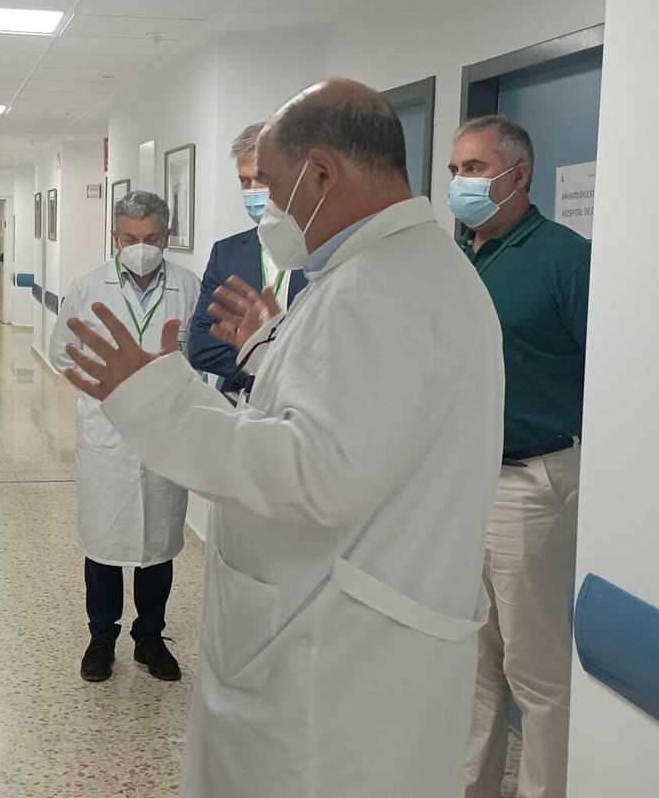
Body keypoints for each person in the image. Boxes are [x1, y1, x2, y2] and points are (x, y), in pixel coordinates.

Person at [58, 79, 503, 797]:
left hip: (331, 663)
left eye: (272, 181)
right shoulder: (406, 271)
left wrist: (154, 400)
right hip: (364, 640)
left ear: (323, 173)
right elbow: (362, 422)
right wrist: (271, 350)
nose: (266, 203)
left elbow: (312, 472)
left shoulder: (375, 290)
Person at [450, 116, 590, 798]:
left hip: (534, 480)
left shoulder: (566, 257)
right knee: (476, 663)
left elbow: (608, 373)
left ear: (519, 174)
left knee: (536, 673)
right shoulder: (464, 256)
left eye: (474, 169)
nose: (460, 183)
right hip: (467, 484)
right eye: (455, 171)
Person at [48, 190, 201, 684]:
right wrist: (107, 389)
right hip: (108, 433)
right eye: (131, 238)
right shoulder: (89, 285)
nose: (141, 247)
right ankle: (101, 638)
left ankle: (151, 639)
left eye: (152, 238)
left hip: (164, 434)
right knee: (105, 545)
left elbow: (204, 359)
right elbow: (61, 352)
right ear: (116, 237)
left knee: (159, 544)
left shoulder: (188, 286)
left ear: (167, 236)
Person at [186, 122, 308, 395]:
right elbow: (201, 346)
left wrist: (255, 351)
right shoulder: (227, 253)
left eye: (261, 179)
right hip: (242, 401)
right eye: (244, 181)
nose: (252, 190)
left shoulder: (324, 250)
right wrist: (262, 365)